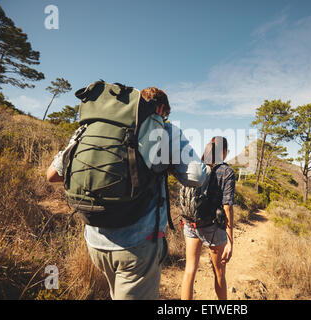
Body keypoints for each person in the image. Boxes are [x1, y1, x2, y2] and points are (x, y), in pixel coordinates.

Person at [46, 87, 208, 300]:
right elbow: (196, 175)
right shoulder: (164, 129)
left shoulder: (93, 126)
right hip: (138, 246)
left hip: (95, 240)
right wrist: (166, 164)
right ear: (161, 108)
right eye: (165, 114)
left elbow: (52, 175)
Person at [180, 136, 235, 300]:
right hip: (213, 227)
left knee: (189, 269)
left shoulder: (197, 166)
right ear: (224, 152)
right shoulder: (227, 171)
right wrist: (231, 240)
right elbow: (227, 206)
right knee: (219, 273)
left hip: (190, 222)